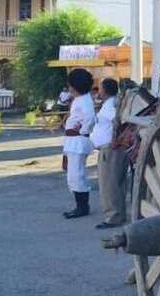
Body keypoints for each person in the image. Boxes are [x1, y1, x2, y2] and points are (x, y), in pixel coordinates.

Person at [90, 78, 128, 229]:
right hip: (112, 148)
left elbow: (118, 120)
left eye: (100, 88)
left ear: (105, 90)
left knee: (109, 184)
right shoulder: (112, 103)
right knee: (117, 182)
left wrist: (116, 139)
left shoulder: (110, 105)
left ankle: (113, 216)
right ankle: (119, 213)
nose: (99, 91)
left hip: (111, 149)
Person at [62, 68, 96, 219]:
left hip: (78, 140)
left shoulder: (84, 101)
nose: (69, 88)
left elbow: (90, 118)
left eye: (71, 85)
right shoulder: (81, 99)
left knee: (76, 175)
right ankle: (80, 205)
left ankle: (82, 207)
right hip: (73, 140)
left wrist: (82, 131)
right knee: (72, 174)